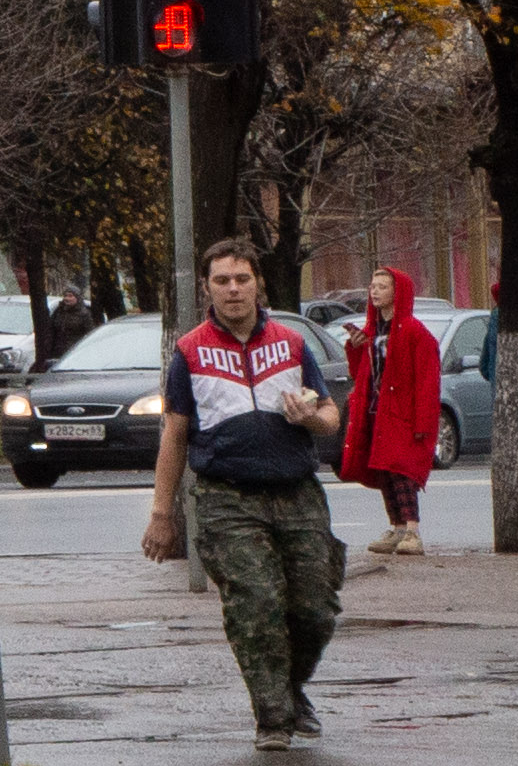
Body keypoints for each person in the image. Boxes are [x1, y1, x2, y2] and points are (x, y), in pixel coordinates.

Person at [148, 237, 345, 740]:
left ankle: (289, 689)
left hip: (296, 491)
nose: (233, 290)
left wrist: (314, 420)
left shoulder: (292, 343)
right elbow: (174, 433)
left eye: (242, 279)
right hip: (226, 496)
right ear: (207, 289)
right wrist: (162, 513)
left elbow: (329, 414)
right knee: (255, 603)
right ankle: (274, 718)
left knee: (316, 608)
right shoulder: (190, 351)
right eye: (222, 281)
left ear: (258, 283)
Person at [337, 266, 445, 557]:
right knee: (382, 468)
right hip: (375, 409)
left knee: (401, 469)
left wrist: (424, 422)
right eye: (373, 286)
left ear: (398, 293)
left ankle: (412, 529)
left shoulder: (414, 333)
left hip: (402, 413)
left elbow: (427, 380)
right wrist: (356, 348)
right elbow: (359, 372)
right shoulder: (372, 330)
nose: (374, 292)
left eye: (382, 287)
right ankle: (396, 526)